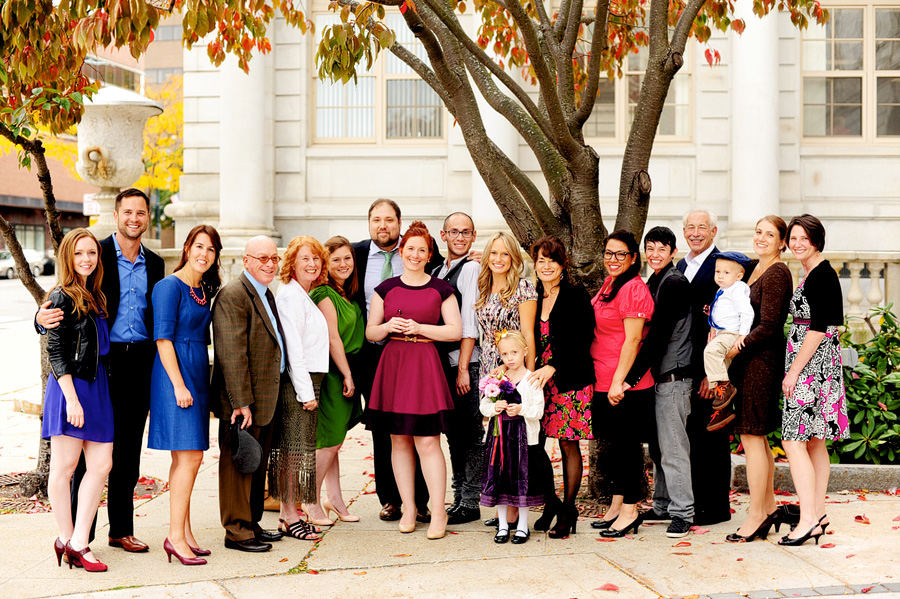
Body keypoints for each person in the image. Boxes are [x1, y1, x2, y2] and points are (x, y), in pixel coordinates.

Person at [36, 188, 165, 553]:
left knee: (125, 452)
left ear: (146, 217)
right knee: (84, 456)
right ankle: (82, 535)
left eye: (141, 213)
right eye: (128, 212)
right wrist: (38, 319)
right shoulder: (95, 251)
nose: (134, 219)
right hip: (100, 366)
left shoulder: (154, 263)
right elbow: (60, 301)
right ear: (117, 213)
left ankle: (121, 529)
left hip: (139, 361)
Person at [364, 221, 462, 539]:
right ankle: (408, 506)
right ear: (402, 251)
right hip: (394, 364)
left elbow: (454, 331)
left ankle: (438, 510)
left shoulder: (441, 289)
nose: (415, 255)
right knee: (399, 440)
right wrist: (390, 325)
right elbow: (371, 332)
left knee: (428, 441)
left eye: (422, 250)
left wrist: (419, 328)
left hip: (424, 365)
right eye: (410, 249)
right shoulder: (386, 288)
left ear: (429, 254)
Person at [352, 199, 443, 522]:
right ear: (369, 223)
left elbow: (446, 279)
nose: (382, 226)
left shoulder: (422, 255)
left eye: (389, 220)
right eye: (376, 219)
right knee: (386, 431)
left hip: (417, 356)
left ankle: (421, 501)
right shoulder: (357, 253)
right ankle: (392, 499)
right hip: (373, 356)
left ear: (399, 224)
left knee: (419, 429)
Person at [148, 225, 223, 565]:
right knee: (191, 457)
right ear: (187, 247)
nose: (204, 254)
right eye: (199, 246)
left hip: (196, 372)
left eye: (211, 249)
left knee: (184, 458)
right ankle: (174, 537)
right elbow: (163, 339)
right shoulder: (169, 286)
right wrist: (178, 384)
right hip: (174, 375)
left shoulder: (202, 289)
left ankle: (186, 533)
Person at [210, 236, 288, 552]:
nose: (269, 264)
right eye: (262, 258)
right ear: (246, 261)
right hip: (243, 400)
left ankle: (251, 523)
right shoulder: (233, 295)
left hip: (265, 396)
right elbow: (231, 353)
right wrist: (241, 402)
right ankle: (236, 530)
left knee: (255, 463)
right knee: (238, 465)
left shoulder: (264, 293)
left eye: (273, 258)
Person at [43, 229, 113, 572]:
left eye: (92, 253)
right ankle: (68, 536)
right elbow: (55, 351)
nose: (86, 259)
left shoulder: (94, 294)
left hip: (97, 387)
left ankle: (78, 540)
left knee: (102, 465)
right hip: (71, 388)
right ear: (68, 258)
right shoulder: (61, 296)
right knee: (64, 469)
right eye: (79, 253)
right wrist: (71, 399)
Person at [618, 226, 695, 538]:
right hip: (660, 378)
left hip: (674, 378)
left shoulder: (674, 282)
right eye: (650, 248)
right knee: (660, 448)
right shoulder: (656, 280)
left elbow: (660, 337)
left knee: (674, 448)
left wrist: (630, 377)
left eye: (661, 248)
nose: (655, 254)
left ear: (673, 252)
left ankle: (682, 512)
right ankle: (663, 503)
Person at [779, 214, 848, 546]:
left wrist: (794, 372)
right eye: (793, 238)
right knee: (814, 441)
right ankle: (817, 514)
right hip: (818, 366)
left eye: (803, 238)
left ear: (817, 240)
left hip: (811, 368)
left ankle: (807, 520)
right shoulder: (814, 272)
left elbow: (818, 328)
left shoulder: (822, 274)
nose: (797, 243)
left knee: (793, 441)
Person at [724, 216, 793, 543]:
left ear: (782, 242)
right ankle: (767, 507)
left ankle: (756, 515)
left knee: (752, 437)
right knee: (757, 438)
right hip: (747, 361)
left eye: (770, 234)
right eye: (758, 232)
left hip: (761, 362)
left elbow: (769, 325)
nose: (761, 238)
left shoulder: (778, 272)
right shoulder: (752, 268)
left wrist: (737, 346)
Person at [526, 235, 595, 539]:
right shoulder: (533, 296)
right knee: (533, 444)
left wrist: (553, 366)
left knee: (568, 444)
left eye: (552, 259)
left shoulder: (576, 295)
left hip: (571, 380)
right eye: (541, 260)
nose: (546, 265)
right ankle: (551, 503)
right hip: (538, 383)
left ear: (563, 263)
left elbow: (583, 338)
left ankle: (568, 510)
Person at [590, 230, 655, 538]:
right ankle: (617, 505)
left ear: (632, 258)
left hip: (625, 385)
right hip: (603, 379)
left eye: (620, 254)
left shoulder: (634, 288)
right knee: (613, 449)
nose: (612, 260)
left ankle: (631, 510)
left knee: (627, 449)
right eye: (608, 253)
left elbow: (632, 340)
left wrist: (619, 381)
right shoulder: (611, 284)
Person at [474, 231, 537, 529]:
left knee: (515, 444)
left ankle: (514, 510)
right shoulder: (483, 286)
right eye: (494, 253)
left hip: (512, 369)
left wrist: (528, 377)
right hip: (489, 370)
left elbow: (528, 334)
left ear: (513, 258)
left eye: (505, 254)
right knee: (496, 439)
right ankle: (503, 502)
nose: (499, 259)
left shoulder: (522, 289)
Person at [676, 209, 732, 526]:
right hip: (686, 365)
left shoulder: (723, 266)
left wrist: (714, 373)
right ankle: (697, 502)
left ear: (713, 232)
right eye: (691, 228)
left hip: (710, 368)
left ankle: (715, 507)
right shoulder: (683, 265)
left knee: (712, 435)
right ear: (684, 232)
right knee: (694, 436)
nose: (696, 233)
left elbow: (731, 323)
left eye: (703, 228)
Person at [271, 236, 329, 540]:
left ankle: (286, 515)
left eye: (316, 258)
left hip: (309, 381)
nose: (312, 264)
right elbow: (292, 346)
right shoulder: (290, 296)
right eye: (305, 258)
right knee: (294, 451)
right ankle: (291, 516)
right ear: (291, 263)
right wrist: (306, 392)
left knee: (299, 448)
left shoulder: (303, 294)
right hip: (299, 385)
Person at [431, 212, 484, 525]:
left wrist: (464, 367)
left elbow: (469, 324)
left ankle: (471, 500)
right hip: (444, 365)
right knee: (453, 434)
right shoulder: (440, 269)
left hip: (466, 363)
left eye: (466, 232)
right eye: (454, 232)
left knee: (472, 435)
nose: (460, 237)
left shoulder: (471, 268)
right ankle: (459, 495)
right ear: (444, 234)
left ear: (473, 236)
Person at [309, 236, 365, 523]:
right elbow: (333, 339)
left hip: (347, 368)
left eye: (347, 258)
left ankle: (335, 499)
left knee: (336, 441)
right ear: (325, 265)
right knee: (329, 442)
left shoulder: (346, 293)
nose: (343, 264)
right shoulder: (324, 295)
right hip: (334, 372)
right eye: (336, 260)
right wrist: (347, 374)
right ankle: (310, 500)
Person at [480, 330, 546, 545]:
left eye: (515, 352)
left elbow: (538, 411)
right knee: (500, 480)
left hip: (522, 440)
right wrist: (494, 407)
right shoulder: (497, 379)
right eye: (505, 354)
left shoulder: (531, 380)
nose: (510, 358)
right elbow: (484, 405)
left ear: (525, 351)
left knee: (522, 482)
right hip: (499, 438)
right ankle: (502, 526)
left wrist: (521, 409)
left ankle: (522, 526)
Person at [704, 251, 754, 431]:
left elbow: (746, 312)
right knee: (721, 365)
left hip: (731, 334)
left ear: (739, 276)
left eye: (726, 272)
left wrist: (743, 335)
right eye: (718, 272)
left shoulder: (738, 289)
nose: (720, 276)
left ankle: (724, 387)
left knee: (710, 352)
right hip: (721, 333)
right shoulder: (722, 290)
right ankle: (723, 409)